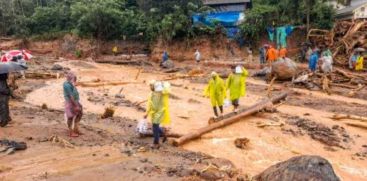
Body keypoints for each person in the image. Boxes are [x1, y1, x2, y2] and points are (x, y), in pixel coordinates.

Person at [145, 81, 170, 149]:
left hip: (159, 112)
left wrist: (147, 112)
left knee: (154, 127)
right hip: (156, 113)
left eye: (151, 86)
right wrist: (147, 113)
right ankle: (164, 134)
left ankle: (156, 143)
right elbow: (151, 104)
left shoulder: (159, 93)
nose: (150, 87)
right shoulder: (154, 94)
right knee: (155, 126)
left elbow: (153, 105)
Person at [63, 72, 83, 137]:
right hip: (70, 102)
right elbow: (71, 96)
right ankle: (71, 132)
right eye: (74, 78)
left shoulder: (70, 84)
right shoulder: (67, 85)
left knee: (80, 113)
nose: (75, 80)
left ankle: (76, 128)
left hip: (75, 101)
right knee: (70, 117)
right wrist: (76, 105)